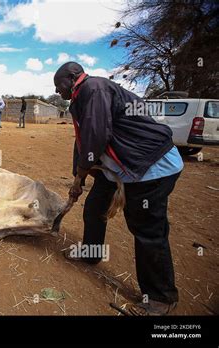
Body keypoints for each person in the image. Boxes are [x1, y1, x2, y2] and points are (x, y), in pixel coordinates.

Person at [54, 61, 183, 316]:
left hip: (148, 167)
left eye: (58, 86)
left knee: (147, 230)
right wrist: (77, 178)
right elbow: (83, 141)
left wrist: (81, 173)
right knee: (94, 208)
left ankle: (160, 299)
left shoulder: (95, 88)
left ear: (72, 77)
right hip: (120, 169)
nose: (58, 92)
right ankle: (92, 252)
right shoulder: (82, 98)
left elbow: (97, 135)